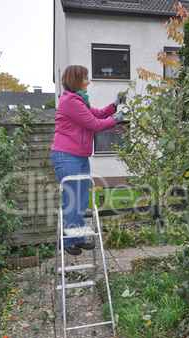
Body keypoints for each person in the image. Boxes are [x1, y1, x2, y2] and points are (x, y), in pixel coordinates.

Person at [51, 65, 123, 255]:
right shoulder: (71, 102)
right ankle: (68, 242)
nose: (89, 82)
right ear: (76, 80)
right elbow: (94, 124)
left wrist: (114, 106)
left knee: (82, 197)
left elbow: (97, 114)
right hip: (66, 155)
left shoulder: (80, 100)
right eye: (85, 79)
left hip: (80, 156)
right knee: (71, 198)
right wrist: (116, 119)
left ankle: (79, 238)